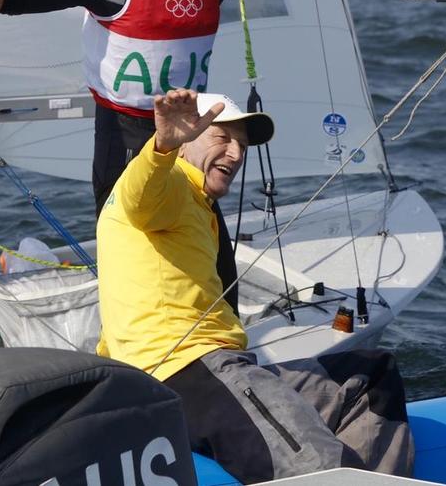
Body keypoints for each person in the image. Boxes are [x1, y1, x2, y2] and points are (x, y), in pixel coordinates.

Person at [0, 0, 422, 312]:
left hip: (188, 139)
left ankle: (223, 366)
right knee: (143, 286)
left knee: (218, 279)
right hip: (124, 145)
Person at [96, 89, 413, 484]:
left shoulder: (196, 202)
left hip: (217, 368)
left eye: (242, 145)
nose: (235, 154)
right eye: (222, 138)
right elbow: (139, 194)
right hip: (187, 373)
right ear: (186, 137)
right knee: (317, 465)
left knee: (372, 375)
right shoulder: (167, 184)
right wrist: (162, 146)